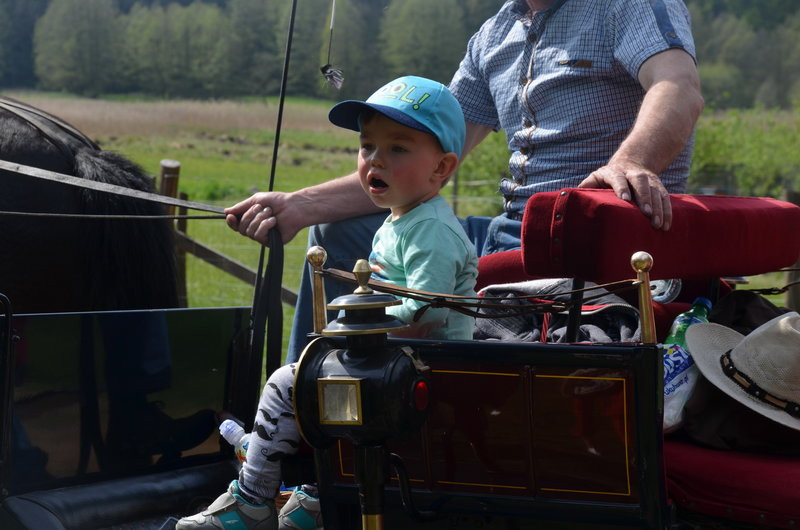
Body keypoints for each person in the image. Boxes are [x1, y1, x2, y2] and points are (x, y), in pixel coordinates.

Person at [226, 0, 704, 365]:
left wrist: (632, 161)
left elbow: (677, 86)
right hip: (509, 231)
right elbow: (419, 159)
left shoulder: (627, 7)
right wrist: (298, 205)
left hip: (595, 240)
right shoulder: (494, 36)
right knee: (335, 236)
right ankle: (315, 417)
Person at [176, 76, 478, 530]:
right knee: (318, 382)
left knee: (287, 382)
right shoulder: (402, 219)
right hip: (395, 358)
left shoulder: (430, 231)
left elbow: (426, 310)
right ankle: (316, 494)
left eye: (398, 149)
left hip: (425, 364)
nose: (376, 159)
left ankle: (252, 500)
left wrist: (353, 323)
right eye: (367, 146)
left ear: (441, 169)